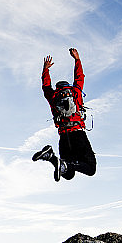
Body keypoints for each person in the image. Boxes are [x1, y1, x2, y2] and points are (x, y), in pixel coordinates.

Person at [32, 47, 97, 181]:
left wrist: (46, 69)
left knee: (68, 173)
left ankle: (51, 157)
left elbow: (46, 86)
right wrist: (77, 59)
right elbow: (79, 77)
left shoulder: (53, 96)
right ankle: (52, 158)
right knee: (90, 168)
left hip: (63, 136)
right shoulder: (75, 91)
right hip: (77, 133)